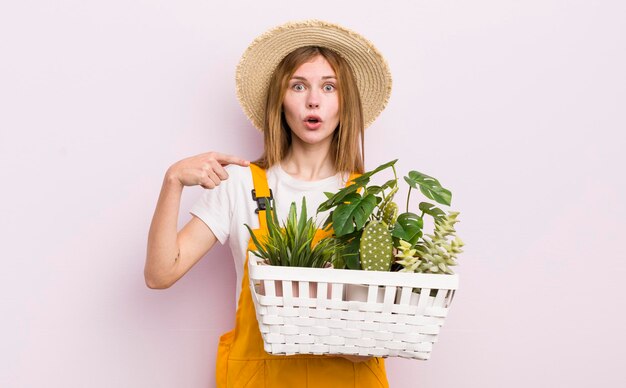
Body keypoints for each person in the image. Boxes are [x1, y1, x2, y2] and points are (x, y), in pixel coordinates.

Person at [145, 20, 392, 387]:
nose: (313, 100)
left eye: (329, 87)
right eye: (298, 86)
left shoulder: (367, 201)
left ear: (345, 103)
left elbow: (381, 327)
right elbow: (160, 273)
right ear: (280, 99)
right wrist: (173, 182)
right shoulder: (239, 185)